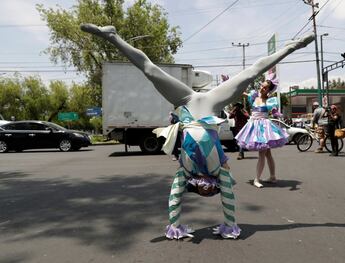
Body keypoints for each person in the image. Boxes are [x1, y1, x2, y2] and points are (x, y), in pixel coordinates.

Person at [80, 23, 314, 239]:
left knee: (150, 70)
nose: (204, 189)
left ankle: (112, 37)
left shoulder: (185, 172)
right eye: (209, 191)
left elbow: (174, 198)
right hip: (213, 102)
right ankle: (293, 46)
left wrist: (174, 226)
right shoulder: (220, 170)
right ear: (214, 187)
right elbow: (229, 199)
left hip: (188, 101)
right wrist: (230, 225)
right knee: (252, 73)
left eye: (200, 191)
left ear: (195, 186)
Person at [235, 79, 288, 188]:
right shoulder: (254, 96)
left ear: (269, 90)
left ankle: (257, 179)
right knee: (267, 154)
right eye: (262, 86)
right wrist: (230, 83)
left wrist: (276, 113)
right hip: (254, 125)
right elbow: (241, 92)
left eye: (265, 88)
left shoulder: (270, 100)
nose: (262, 89)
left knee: (262, 154)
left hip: (264, 127)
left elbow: (274, 111)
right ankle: (272, 176)